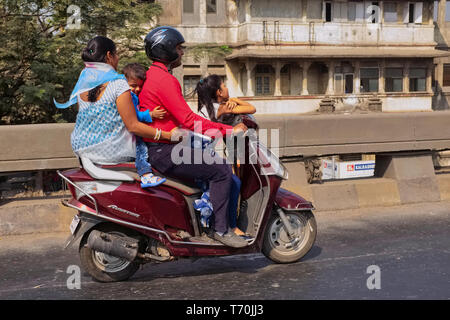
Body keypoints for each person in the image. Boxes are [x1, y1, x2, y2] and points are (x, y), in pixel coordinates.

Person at [138, 26, 249, 248]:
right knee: (222, 171)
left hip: (161, 148)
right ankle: (221, 230)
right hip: (166, 151)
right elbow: (189, 120)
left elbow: (183, 121)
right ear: (167, 49)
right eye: (179, 48)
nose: (182, 53)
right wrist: (229, 131)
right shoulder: (165, 80)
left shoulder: (153, 75)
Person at [54, 36, 175, 168]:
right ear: (109, 56)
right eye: (116, 54)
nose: (117, 58)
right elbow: (133, 126)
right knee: (149, 153)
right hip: (111, 154)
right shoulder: (118, 85)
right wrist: (168, 136)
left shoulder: (83, 83)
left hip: (82, 152)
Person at [194, 74, 256, 237]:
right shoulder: (220, 108)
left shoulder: (208, 107)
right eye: (224, 86)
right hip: (201, 154)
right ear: (219, 93)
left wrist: (233, 99)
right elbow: (251, 109)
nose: (227, 88)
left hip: (199, 151)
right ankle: (231, 226)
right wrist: (236, 100)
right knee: (233, 181)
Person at [122, 63, 167, 188]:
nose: (137, 89)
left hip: (131, 133)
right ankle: (145, 175)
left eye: (139, 86)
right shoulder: (126, 96)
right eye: (133, 85)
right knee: (141, 151)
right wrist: (150, 114)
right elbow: (133, 116)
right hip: (130, 134)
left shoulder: (132, 95)